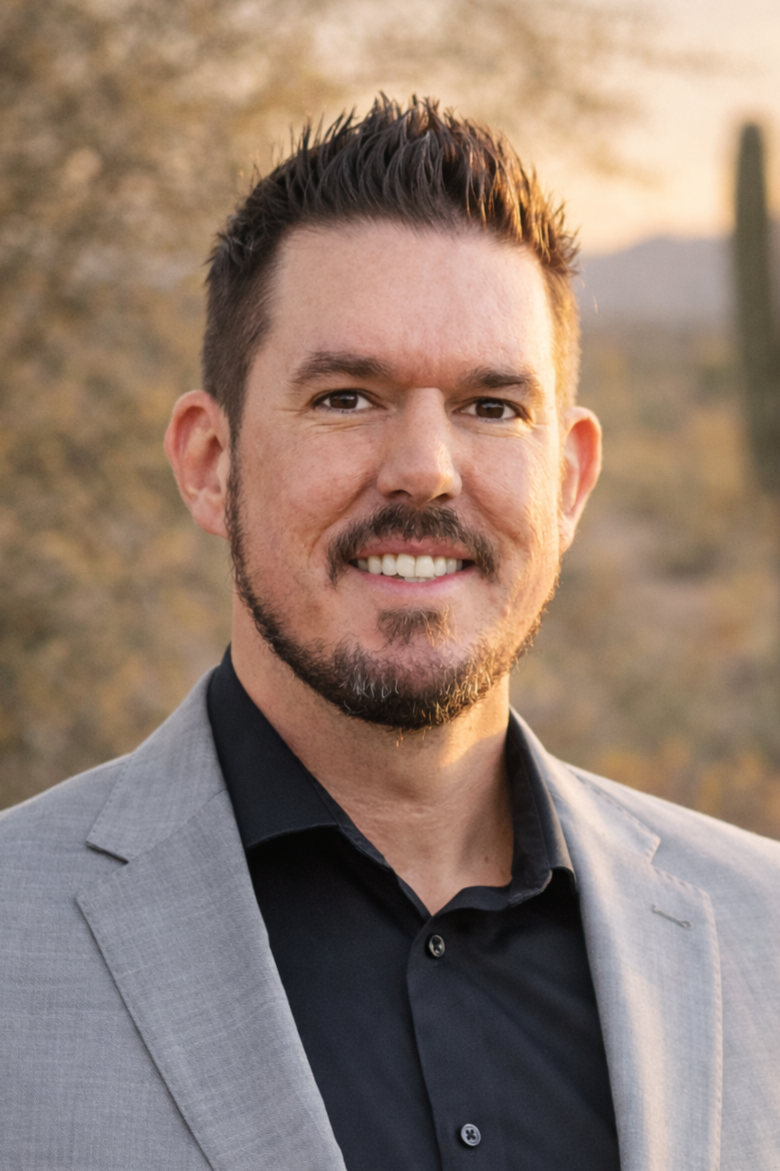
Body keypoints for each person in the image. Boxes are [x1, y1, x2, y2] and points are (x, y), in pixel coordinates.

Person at [1, 96, 779, 1171]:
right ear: (208, 461)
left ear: (569, 481)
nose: (425, 467)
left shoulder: (763, 935)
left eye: (492, 406)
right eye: (347, 397)